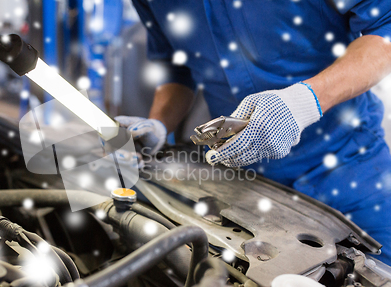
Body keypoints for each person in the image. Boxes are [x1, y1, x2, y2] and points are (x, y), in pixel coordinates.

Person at [116, 0, 391, 264]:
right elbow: (175, 66)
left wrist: (304, 102)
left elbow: (385, 27)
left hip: (349, 166)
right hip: (243, 181)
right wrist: (159, 123)